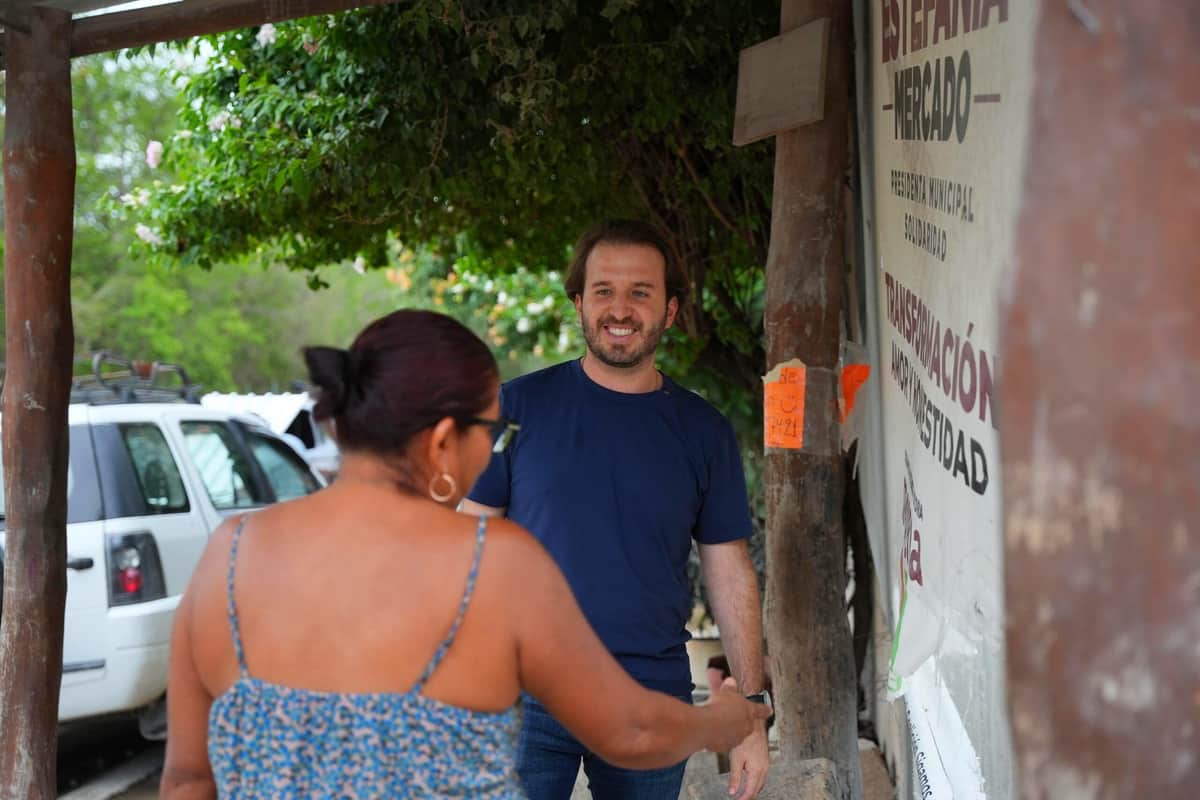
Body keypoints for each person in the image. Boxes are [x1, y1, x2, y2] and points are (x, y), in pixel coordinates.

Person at [159, 309, 769, 799]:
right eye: (492, 434)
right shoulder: (493, 562)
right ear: (446, 439)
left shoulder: (229, 553)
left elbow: (187, 781)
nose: (492, 454)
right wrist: (729, 718)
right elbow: (632, 732)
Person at [462, 220, 770, 800]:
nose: (620, 309)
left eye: (640, 292)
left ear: (670, 311)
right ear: (579, 302)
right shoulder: (514, 408)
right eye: (603, 290)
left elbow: (730, 573)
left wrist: (751, 714)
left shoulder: (703, 433)